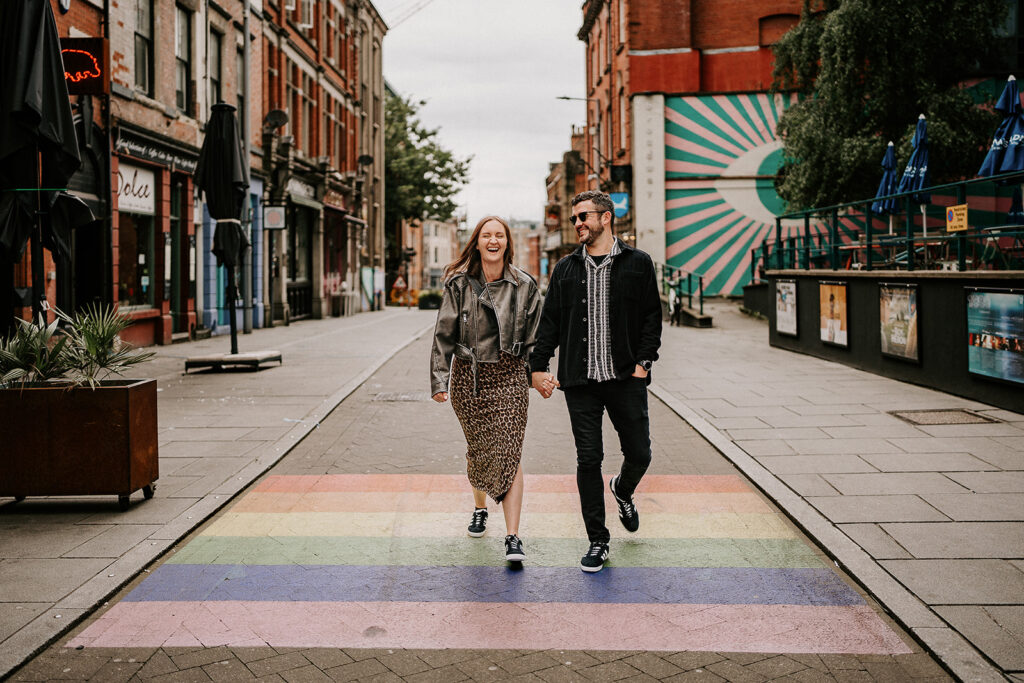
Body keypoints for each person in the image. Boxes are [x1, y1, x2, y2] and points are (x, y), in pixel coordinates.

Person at [529, 190, 662, 573]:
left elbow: (652, 316)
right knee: (589, 459)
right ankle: (598, 540)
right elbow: (550, 322)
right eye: (574, 219)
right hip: (581, 382)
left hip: (625, 378)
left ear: (606, 217)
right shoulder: (566, 269)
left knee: (640, 453)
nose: (577, 224)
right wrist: (537, 367)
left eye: (583, 216)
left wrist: (644, 362)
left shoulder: (638, 263)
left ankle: (622, 489)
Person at [430, 215, 542, 564]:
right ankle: (480, 508)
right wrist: (439, 380)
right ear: (476, 242)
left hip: (509, 376)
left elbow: (538, 338)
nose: (493, 241)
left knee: (508, 450)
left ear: (508, 243)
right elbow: (443, 334)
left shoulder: (525, 285)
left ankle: (513, 536)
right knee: (479, 449)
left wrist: (539, 372)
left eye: (500, 235)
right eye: (486, 235)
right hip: (469, 377)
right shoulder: (458, 284)